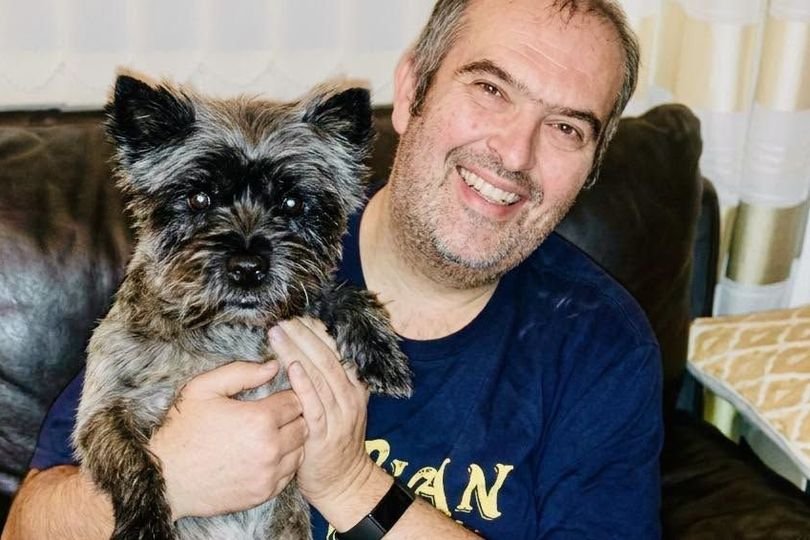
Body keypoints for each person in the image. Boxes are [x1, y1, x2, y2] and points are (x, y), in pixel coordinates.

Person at [3, 0, 662, 538]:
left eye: (567, 129)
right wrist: (171, 478)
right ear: (411, 92)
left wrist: (351, 485)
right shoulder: (207, 265)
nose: (514, 155)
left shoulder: (600, 346)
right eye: (491, 89)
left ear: (594, 163)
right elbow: (27, 527)